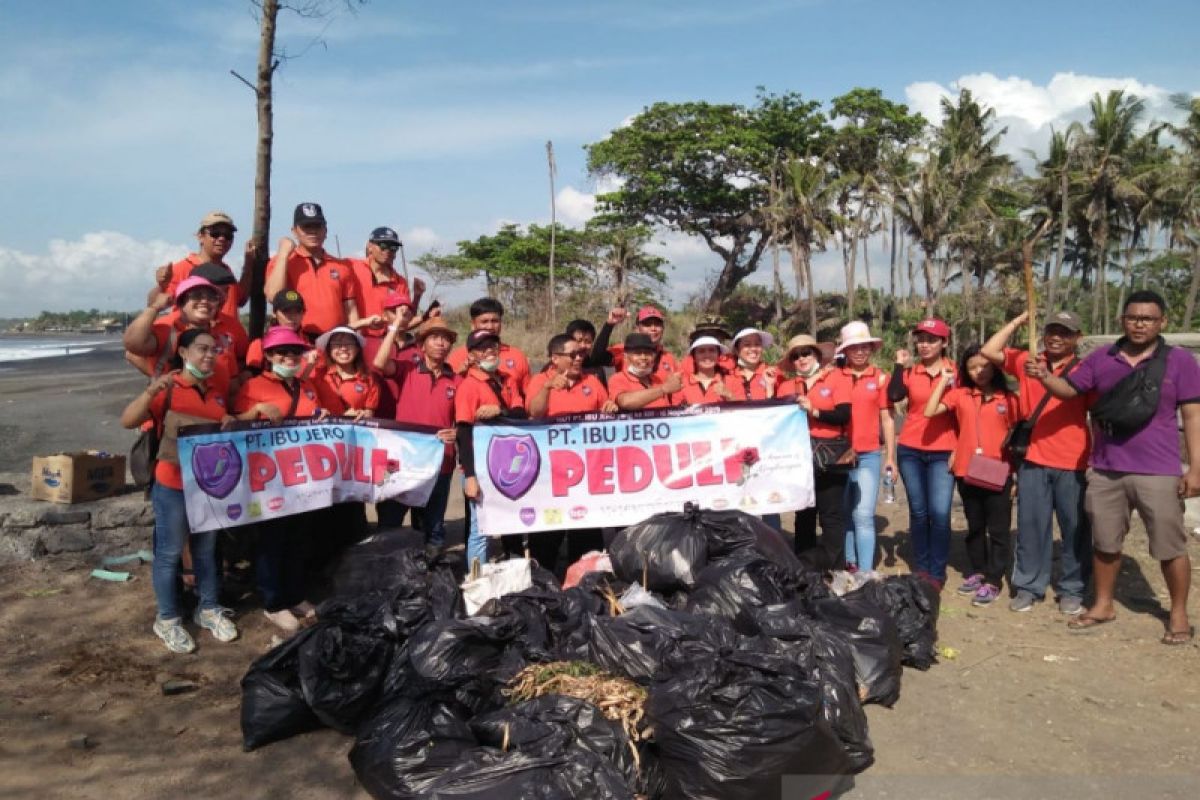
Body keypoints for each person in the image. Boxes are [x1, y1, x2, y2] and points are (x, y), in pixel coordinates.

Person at [1029, 290, 1200, 643]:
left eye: (1148, 318)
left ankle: (1179, 612)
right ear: (1123, 320)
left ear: (1162, 322)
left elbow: (1193, 414)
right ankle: (1103, 604)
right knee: (1105, 543)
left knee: (1170, 546)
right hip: (1106, 467)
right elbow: (1068, 390)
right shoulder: (1100, 359)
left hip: (1159, 470)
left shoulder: (1180, 361)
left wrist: (1196, 468)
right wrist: (1044, 375)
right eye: (1133, 317)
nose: (1140, 324)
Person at [119, 329, 258, 653]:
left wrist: (236, 420)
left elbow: (224, 426)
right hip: (171, 485)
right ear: (183, 352)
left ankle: (208, 609)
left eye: (213, 350)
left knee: (206, 551)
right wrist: (150, 391)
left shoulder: (215, 393)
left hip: (208, 489)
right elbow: (127, 420)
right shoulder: (167, 388)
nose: (209, 355)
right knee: (168, 554)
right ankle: (167, 618)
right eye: (201, 349)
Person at [982, 310, 1092, 614]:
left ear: (1077, 338)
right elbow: (988, 351)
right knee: (1031, 526)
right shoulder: (1028, 361)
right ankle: (1029, 585)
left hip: (1073, 460)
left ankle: (1073, 588)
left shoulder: (1084, 368)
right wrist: (1018, 321)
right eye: (1052, 331)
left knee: (1074, 528)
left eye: (1065, 332)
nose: (1057, 337)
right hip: (1032, 458)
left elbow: (1091, 407)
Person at [233, 327, 342, 632]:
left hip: (302, 478)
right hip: (268, 480)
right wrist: (254, 411)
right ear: (268, 356)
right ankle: (273, 602)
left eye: (294, 352)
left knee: (299, 538)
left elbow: (316, 415)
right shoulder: (253, 386)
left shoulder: (307, 386)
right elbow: (230, 426)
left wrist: (322, 415)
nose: (288, 357)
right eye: (281, 352)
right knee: (272, 540)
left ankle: (295, 593)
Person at [924, 344, 1019, 606]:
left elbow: (1020, 439)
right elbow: (929, 411)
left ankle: (993, 580)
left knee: (999, 530)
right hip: (967, 470)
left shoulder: (1009, 399)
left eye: (984, 366)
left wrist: (1017, 476)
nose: (979, 371)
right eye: (972, 367)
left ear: (995, 367)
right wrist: (943, 383)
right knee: (975, 527)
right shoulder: (960, 395)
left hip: (1000, 471)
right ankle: (978, 571)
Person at [525, 334, 619, 573]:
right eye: (572, 355)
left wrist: (610, 408)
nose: (579, 358)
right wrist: (547, 388)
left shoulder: (592, 381)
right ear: (555, 358)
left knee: (586, 539)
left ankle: (584, 588)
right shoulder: (539, 381)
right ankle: (544, 586)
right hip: (550, 476)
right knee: (547, 538)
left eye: (581, 354)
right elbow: (535, 413)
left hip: (586, 476)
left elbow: (606, 413)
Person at [888, 318, 958, 590]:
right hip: (911, 450)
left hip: (944, 450)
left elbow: (962, 413)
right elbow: (894, 395)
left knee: (940, 513)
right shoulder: (910, 372)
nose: (925, 345)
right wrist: (898, 365)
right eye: (921, 339)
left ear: (944, 343)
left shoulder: (955, 373)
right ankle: (921, 567)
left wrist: (959, 450)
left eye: (932, 339)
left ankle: (937, 572)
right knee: (918, 512)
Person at [386, 319, 461, 557]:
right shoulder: (407, 369)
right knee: (391, 520)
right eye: (434, 337)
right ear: (421, 344)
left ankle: (429, 574)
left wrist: (457, 431)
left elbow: (465, 419)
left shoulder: (457, 380)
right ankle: (388, 572)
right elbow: (379, 364)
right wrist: (394, 327)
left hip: (441, 461)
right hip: (403, 461)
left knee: (433, 525)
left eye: (445, 338)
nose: (441, 343)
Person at [777, 335, 852, 566]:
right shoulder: (786, 387)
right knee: (804, 514)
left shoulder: (837, 378)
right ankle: (805, 567)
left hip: (830, 453)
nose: (802, 359)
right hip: (799, 456)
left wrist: (815, 411)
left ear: (816, 355)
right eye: (796, 355)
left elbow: (843, 415)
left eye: (806, 353)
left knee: (831, 515)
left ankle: (835, 567)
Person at [456, 329, 527, 569]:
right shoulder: (468, 385)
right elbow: (463, 433)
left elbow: (521, 412)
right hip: (481, 465)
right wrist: (470, 475)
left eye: (493, 346)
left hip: (510, 462)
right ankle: (477, 581)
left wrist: (500, 411)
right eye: (482, 348)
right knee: (480, 529)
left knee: (512, 520)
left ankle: (514, 573)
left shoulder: (507, 379)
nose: (489, 351)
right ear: (472, 355)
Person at [836, 321, 897, 572]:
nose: (860, 351)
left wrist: (890, 457)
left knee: (863, 515)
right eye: (854, 347)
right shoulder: (834, 376)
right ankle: (849, 563)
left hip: (869, 454)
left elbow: (887, 418)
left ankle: (865, 572)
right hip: (838, 455)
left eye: (864, 346)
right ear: (845, 351)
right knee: (845, 513)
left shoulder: (881, 377)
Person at [123, 276, 246, 394]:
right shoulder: (169, 332)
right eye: (197, 296)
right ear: (181, 304)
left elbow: (232, 387)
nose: (204, 301)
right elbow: (133, 344)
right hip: (176, 410)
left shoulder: (223, 339)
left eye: (211, 297)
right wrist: (155, 307)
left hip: (215, 409)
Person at [264, 202, 362, 336]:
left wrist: (356, 338)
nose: (312, 231)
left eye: (317, 226)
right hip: (296, 340)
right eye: (306, 226)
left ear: (325, 230)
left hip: (333, 342)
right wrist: (284, 253)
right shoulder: (282, 261)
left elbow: (351, 310)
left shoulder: (341, 266)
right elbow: (273, 296)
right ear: (294, 231)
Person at [154, 211, 254, 334]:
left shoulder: (226, 271)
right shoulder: (181, 269)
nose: (222, 238)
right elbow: (155, 304)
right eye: (215, 233)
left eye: (228, 235)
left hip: (227, 344)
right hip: (192, 344)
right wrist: (161, 285)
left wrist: (249, 264)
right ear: (200, 236)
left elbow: (240, 299)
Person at [349, 226, 427, 339]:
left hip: (385, 340)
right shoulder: (351, 268)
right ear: (370, 246)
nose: (388, 251)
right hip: (353, 340)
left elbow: (404, 321)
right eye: (383, 245)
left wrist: (417, 296)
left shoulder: (400, 282)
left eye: (393, 247)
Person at [446, 298, 532, 392]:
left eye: (495, 321)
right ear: (473, 324)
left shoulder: (517, 356)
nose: (490, 327)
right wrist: (460, 373)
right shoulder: (458, 357)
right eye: (484, 322)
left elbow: (528, 396)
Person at [592, 305, 680, 379]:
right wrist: (609, 325)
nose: (653, 329)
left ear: (663, 329)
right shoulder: (624, 349)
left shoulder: (669, 358)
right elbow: (597, 359)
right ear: (637, 328)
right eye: (647, 324)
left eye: (657, 324)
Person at [608, 333, 683, 410]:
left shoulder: (658, 380)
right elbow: (625, 402)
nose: (643, 357)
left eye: (648, 353)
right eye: (638, 353)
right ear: (626, 357)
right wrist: (663, 389)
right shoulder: (617, 379)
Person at [676, 336, 735, 405]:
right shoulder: (681, 385)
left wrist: (729, 395)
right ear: (694, 357)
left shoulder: (732, 381)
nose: (707, 355)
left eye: (712, 350)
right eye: (701, 351)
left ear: (718, 355)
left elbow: (744, 411)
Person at [726, 328, 779, 400]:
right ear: (736, 350)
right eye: (747, 345)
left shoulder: (775, 373)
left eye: (757, 344)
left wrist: (770, 387)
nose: (753, 349)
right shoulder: (728, 378)